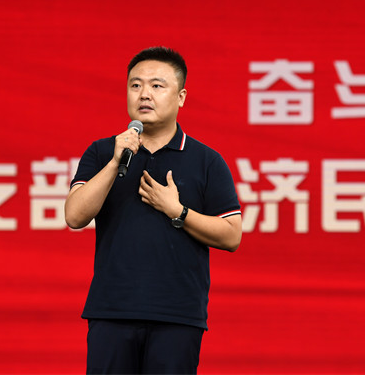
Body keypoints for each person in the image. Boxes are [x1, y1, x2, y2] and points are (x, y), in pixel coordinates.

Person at [65, 46, 242, 374]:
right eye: (135, 85)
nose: (144, 94)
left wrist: (178, 211)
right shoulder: (103, 151)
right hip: (112, 311)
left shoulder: (206, 160)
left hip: (177, 315)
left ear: (181, 97)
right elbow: (74, 216)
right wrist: (115, 162)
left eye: (157, 85)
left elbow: (232, 235)